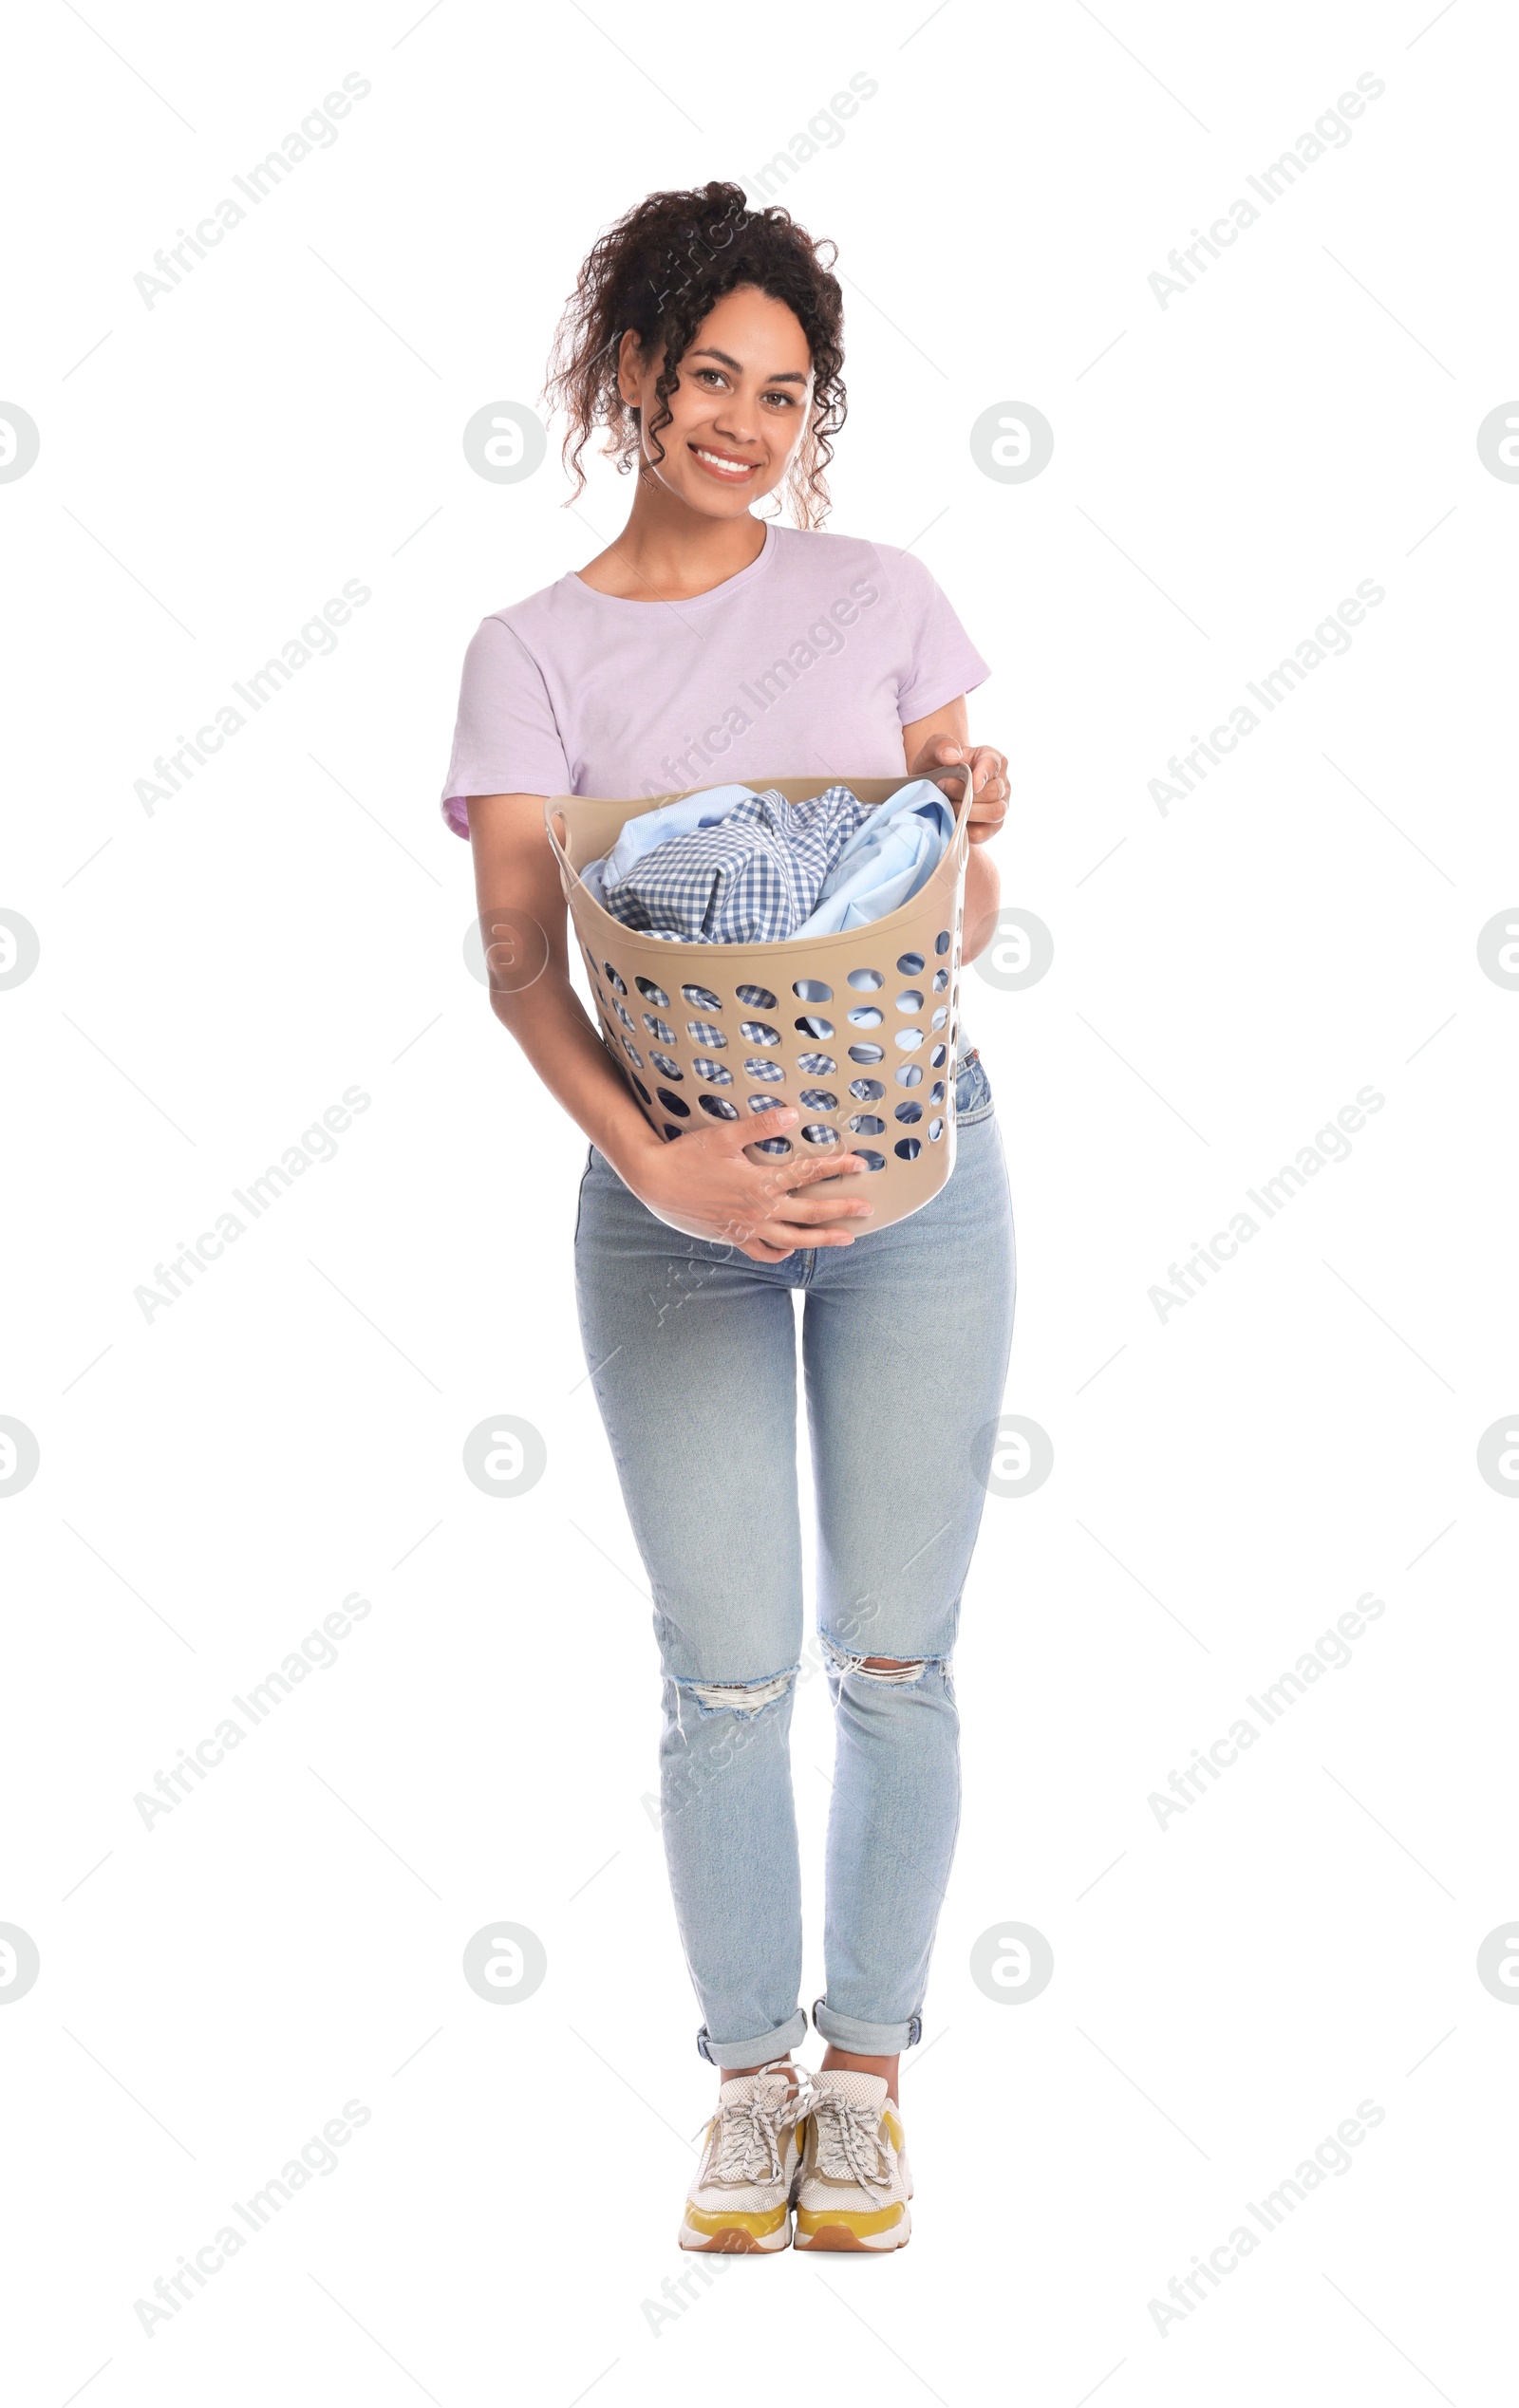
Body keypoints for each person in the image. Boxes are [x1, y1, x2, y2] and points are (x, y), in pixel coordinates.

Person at [442, 182, 1015, 2252]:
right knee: (729, 1675)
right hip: (665, 1203)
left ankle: (861, 2086)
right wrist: (650, 1160)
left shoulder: (881, 596)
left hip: (911, 1173)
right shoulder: (532, 654)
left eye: (783, 393)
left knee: (895, 1655)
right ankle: (743, 2082)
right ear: (631, 376)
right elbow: (521, 960)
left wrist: (969, 833)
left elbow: (943, 916)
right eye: (710, 378)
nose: (745, 424)